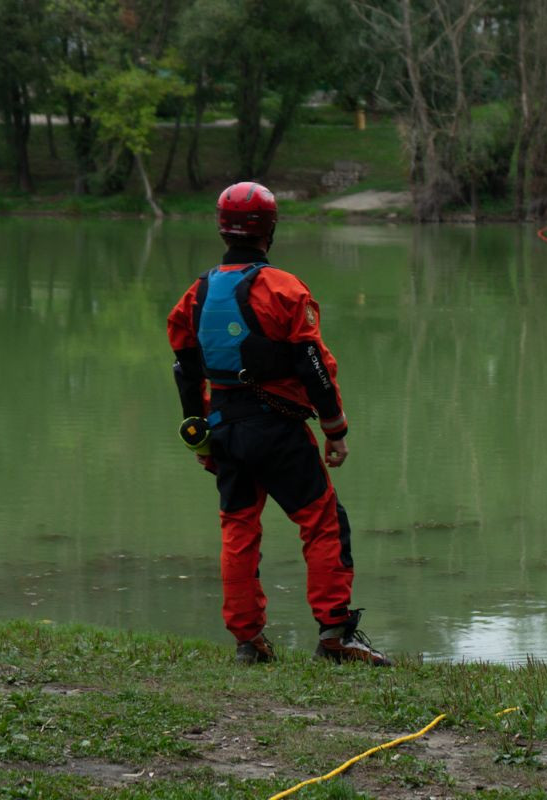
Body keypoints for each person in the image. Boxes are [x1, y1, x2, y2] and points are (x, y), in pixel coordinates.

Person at [167, 182, 392, 667]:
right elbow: (313, 365)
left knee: (238, 529)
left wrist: (201, 439)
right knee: (323, 523)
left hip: (224, 430)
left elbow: (186, 370)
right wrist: (335, 430)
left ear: (221, 229)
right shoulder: (285, 289)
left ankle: (248, 642)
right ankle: (335, 635)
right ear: (270, 230)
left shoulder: (195, 295)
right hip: (279, 432)